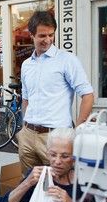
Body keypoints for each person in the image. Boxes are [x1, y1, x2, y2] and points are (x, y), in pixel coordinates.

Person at [17, 11, 94, 174]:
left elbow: (87, 95)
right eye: (42, 36)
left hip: (55, 137)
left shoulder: (67, 60)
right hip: (28, 135)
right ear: (31, 35)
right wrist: (24, 128)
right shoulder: (26, 65)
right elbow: (26, 98)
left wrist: (78, 129)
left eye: (51, 35)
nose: (48, 40)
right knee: (29, 184)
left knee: (59, 186)